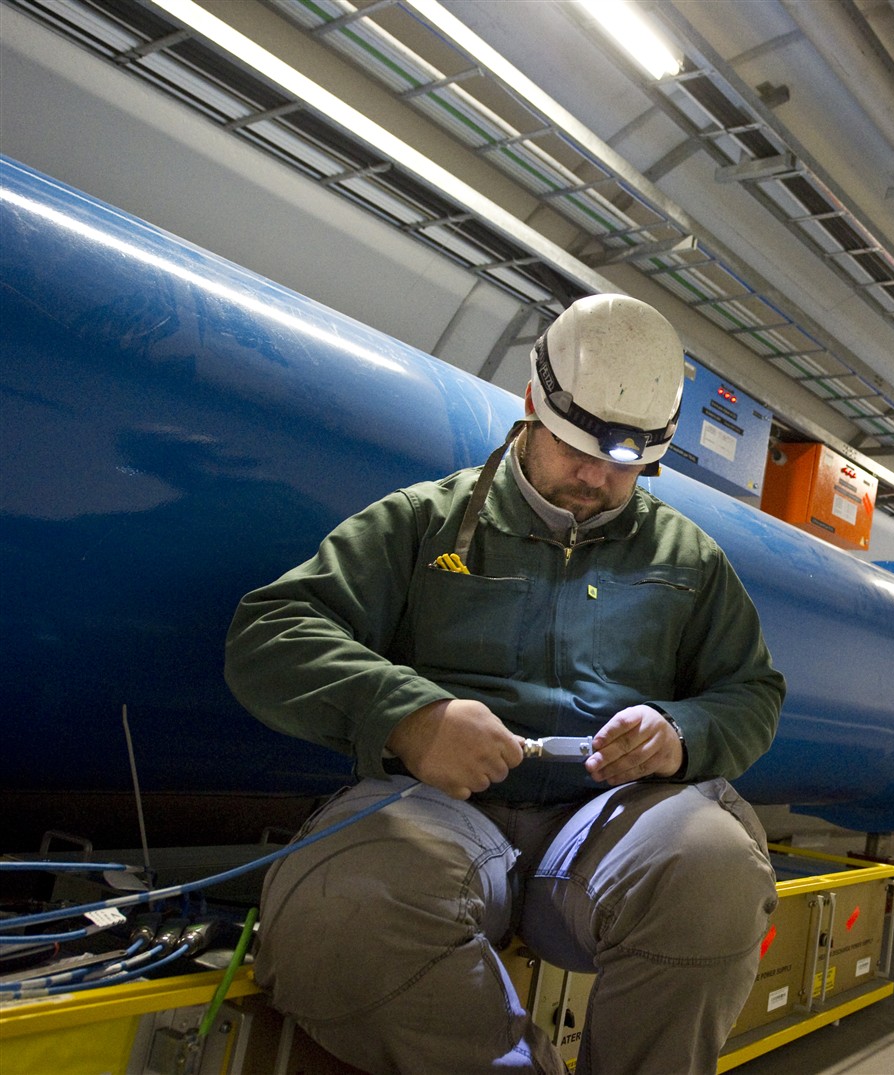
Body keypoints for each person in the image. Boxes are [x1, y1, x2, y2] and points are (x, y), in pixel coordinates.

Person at [224, 293, 786, 1075]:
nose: (594, 478)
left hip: (605, 832)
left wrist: (679, 734)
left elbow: (749, 691)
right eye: (575, 449)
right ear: (530, 404)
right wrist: (409, 716)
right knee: (340, 907)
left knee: (714, 872)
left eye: (623, 464)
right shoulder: (422, 523)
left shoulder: (688, 563)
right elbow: (271, 634)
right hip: (434, 819)